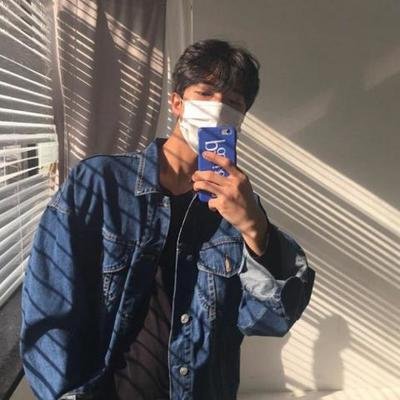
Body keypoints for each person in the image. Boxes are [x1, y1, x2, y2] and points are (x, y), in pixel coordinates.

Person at [20, 39, 315, 400]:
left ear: (241, 120)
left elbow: (270, 319)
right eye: (205, 93)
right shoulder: (101, 183)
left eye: (233, 102)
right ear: (177, 102)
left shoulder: (237, 208)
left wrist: (255, 227)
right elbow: (49, 302)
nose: (217, 108)